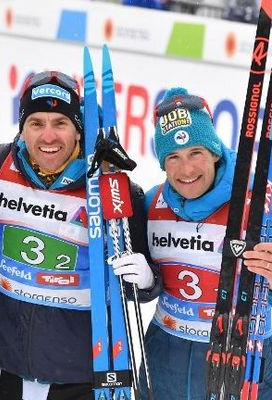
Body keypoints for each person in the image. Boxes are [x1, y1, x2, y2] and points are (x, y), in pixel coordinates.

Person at [0, 71, 161, 400]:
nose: (48, 136)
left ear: (78, 129)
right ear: (22, 128)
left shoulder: (114, 189)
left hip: (82, 374)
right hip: (9, 364)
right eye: (36, 123)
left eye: (60, 123)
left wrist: (147, 280)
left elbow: (140, 290)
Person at [140, 87, 272, 399]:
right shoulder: (151, 204)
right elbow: (138, 289)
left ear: (214, 151)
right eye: (173, 157)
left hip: (243, 363)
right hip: (164, 360)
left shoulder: (259, 203)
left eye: (196, 153)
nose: (186, 170)